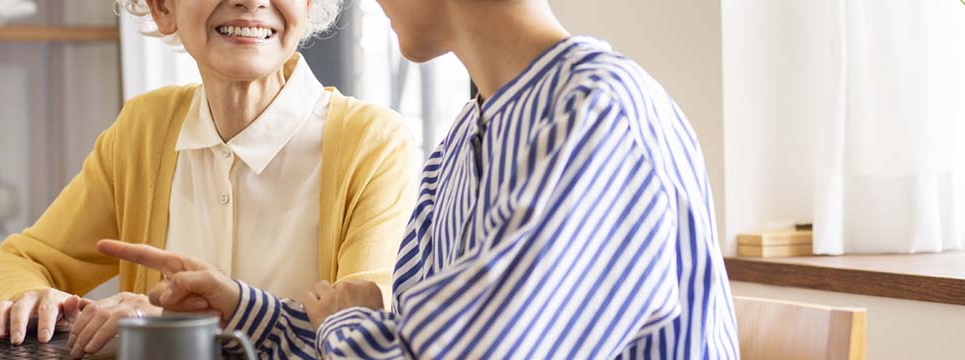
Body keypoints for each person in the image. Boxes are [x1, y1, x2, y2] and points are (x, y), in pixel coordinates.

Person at [101, 0, 740, 358]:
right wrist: (243, 309)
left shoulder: (598, 115)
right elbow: (405, 340)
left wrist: (342, 325)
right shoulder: (466, 134)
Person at [0, 0, 418, 357]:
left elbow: (362, 325)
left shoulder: (372, 141)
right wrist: (31, 300)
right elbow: (21, 262)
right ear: (163, 9)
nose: (250, 2)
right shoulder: (144, 128)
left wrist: (172, 325)